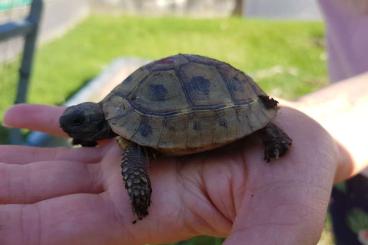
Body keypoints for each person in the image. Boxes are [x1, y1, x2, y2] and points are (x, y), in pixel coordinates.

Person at [0, 1, 367, 245]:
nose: (78, 129)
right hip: (352, 176)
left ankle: (266, 127)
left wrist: (138, 193)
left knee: (134, 154)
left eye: (82, 125)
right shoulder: (120, 114)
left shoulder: (131, 142)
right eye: (79, 125)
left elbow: (132, 157)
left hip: (231, 97)